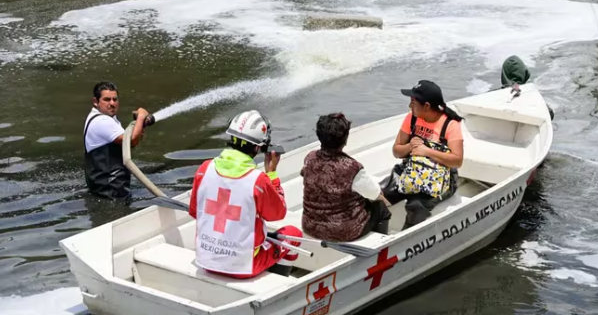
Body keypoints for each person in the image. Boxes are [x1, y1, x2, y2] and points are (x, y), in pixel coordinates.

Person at [188, 110, 302, 278]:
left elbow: (194, 211)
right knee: (293, 234)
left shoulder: (204, 169)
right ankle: (276, 280)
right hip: (243, 267)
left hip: (205, 260)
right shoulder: (258, 180)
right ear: (258, 147)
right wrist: (272, 174)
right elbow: (278, 213)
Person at [383, 80, 464, 229]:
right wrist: (409, 146)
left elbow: (457, 161)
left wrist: (426, 151)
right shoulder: (411, 118)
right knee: (379, 198)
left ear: (426, 106)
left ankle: (405, 242)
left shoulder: (450, 124)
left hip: (440, 179)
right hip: (410, 172)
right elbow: (396, 150)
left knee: (416, 206)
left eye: (413, 102)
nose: (410, 106)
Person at [301, 113, 392, 242]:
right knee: (381, 208)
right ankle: (381, 246)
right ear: (345, 139)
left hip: (310, 226)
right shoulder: (352, 167)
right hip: (342, 232)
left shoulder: (309, 158)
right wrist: (387, 202)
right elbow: (374, 194)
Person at [83, 81, 149, 201]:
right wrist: (141, 117)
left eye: (115, 99)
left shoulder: (101, 117)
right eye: (107, 99)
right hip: (112, 191)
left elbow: (128, 143)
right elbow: (131, 142)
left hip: (102, 189)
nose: (112, 103)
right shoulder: (102, 121)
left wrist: (139, 127)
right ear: (95, 102)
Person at [497, 55, 554, 120]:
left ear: (503, 75)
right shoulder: (533, 96)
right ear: (525, 73)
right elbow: (550, 114)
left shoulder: (492, 95)